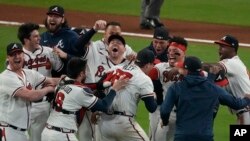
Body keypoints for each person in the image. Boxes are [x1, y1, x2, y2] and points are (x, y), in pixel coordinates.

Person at [160, 56, 250, 141]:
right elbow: (237, 104)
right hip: (205, 136)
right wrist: (247, 98)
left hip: (183, 136)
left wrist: (165, 121)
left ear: (185, 70)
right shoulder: (213, 88)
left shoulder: (176, 88)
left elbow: (165, 110)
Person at [41, 57, 128, 141]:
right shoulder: (80, 91)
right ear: (81, 74)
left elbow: (78, 86)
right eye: (85, 70)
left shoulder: (62, 82)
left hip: (47, 133)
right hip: (62, 135)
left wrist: (100, 85)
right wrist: (114, 89)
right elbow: (104, 106)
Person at [79, 34, 133, 141]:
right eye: (112, 42)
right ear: (107, 48)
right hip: (104, 116)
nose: (115, 44)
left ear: (125, 49)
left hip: (124, 115)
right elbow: (98, 89)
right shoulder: (103, 65)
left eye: (119, 43)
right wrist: (97, 111)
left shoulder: (131, 66)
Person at [0, 42, 58, 141]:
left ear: (23, 55)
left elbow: (51, 80)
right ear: (8, 58)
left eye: (19, 53)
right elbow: (30, 95)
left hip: (23, 132)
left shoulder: (29, 73)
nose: (17, 57)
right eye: (13, 54)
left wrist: (68, 80)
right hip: (9, 131)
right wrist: (49, 89)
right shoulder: (5, 77)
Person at [97, 49, 158, 141]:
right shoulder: (144, 79)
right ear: (147, 65)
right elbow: (151, 108)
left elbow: (98, 86)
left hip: (104, 122)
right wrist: (154, 97)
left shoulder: (116, 68)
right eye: (153, 64)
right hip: (123, 123)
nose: (153, 67)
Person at [17, 22, 64, 141]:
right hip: (23, 104)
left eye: (39, 35)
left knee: (40, 137)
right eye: (35, 36)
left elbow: (59, 71)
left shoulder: (49, 52)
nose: (40, 38)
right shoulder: (18, 57)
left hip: (44, 103)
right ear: (26, 39)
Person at [202, 35, 250, 125]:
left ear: (233, 49)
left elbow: (214, 68)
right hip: (245, 113)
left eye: (223, 47)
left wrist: (195, 64)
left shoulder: (232, 63)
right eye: (219, 46)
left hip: (247, 113)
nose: (219, 49)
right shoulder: (237, 64)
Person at [148, 36, 187, 141]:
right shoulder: (160, 68)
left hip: (184, 115)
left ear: (183, 53)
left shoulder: (191, 68)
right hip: (164, 113)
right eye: (169, 50)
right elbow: (144, 76)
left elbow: (209, 69)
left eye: (175, 51)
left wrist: (180, 67)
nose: (171, 54)